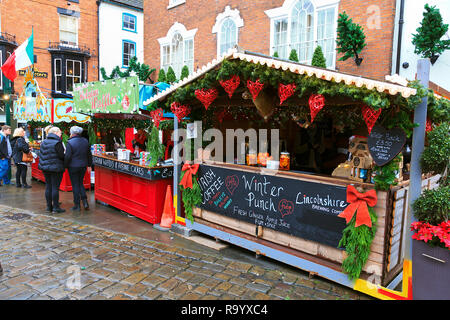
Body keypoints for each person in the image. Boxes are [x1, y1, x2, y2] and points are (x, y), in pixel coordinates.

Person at [38, 126, 65, 213]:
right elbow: (61, 156)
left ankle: (48, 207)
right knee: (55, 187)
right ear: (56, 133)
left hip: (45, 168)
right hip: (56, 168)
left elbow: (41, 154)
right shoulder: (57, 142)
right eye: (60, 133)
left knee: (48, 186)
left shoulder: (44, 142)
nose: (61, 134)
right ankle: (56, 207)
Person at [65, 126, 92, 211]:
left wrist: (65, 165)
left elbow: (68, 156)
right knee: (80, 183)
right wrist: (89, 165)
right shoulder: (85, 141)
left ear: (72, 133)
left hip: (73, 166)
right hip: (83, 166)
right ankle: (85, 202)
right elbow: (89, 154)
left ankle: (77, 205)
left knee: (75, 185)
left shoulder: (70, 142)